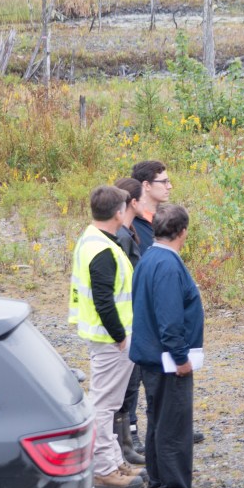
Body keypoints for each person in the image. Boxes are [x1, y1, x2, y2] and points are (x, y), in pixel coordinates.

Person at [129, 204, 213, 488]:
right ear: (182, 233)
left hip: (151, 357)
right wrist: (180, 357)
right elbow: (169, 319)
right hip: (166, 361)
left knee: (158, 424)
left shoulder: (149, 258)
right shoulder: (166, 265)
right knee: (174, 427)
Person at [68, 185, 145, 488]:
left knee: (109, 404)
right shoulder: (102, 249)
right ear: (118, 212)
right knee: (104, 405)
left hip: (106, 338)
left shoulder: (95, 240)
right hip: (111, 340)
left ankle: (114, 462)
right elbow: (104, 301)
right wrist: (121, 338)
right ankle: (103, 469)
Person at [130, 160, 204, 445]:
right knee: (141, 378)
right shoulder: (134, 225)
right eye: (164, 181)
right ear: (146, 186)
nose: (170, 186)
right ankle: (134, 431)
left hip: (158, 310)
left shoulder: (157, 221)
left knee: (163, 389)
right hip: (145, 312)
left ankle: (171, 428)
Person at [112, 177, 145, 466]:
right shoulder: (121, 236)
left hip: (131, 318)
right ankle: (121, 446)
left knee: (131, 384)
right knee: (123, 387)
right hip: (125, 321)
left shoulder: (130, 231)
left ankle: (125, 443)